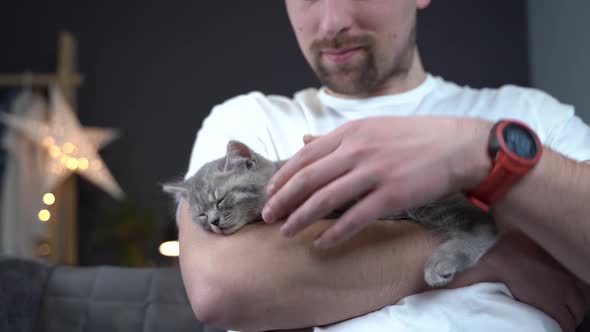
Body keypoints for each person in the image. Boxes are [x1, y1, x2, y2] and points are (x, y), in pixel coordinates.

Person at [177, 1, 590, 331]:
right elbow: (222, 289)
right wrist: (491, 252)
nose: (332, 20)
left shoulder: (526, 117)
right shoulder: (251, 119)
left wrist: (477, 152)